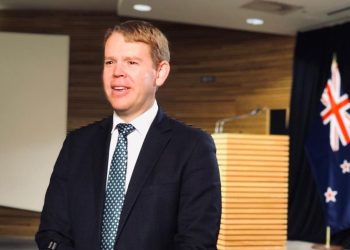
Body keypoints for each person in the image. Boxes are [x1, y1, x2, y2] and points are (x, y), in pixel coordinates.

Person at [36, 20, 221, 250]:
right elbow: (51, 232)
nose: (117, 72)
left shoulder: (193, 148)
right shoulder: (77, 144)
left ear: (160, 73)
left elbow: (197, 242)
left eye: (131, 62)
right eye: (110, 62)